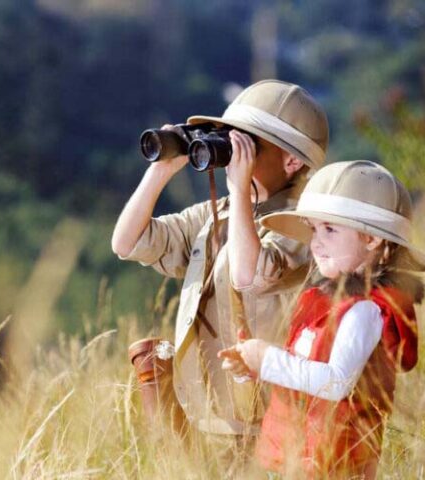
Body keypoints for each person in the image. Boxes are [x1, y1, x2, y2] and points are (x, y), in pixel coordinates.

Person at [111, 80, 329, 438]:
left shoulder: (304, 224)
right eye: (229, 138)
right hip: (207, 412)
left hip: (266, 420)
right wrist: (161, 170)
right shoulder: (220, 214)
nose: (233, 152)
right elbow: (127, 242)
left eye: (250, 145)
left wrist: (239, 189)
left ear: (291, 160)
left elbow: (249, 276)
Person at [218, 160, 425, 478]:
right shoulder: (323, 303)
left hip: (336, 464)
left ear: (372, 239)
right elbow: (301, 370)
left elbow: (336, 382)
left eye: (330, 229)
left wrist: (268, 360)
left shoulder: (365, 310)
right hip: (296, 459)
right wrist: (253, 366)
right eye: (313, 229)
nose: (316, 242)